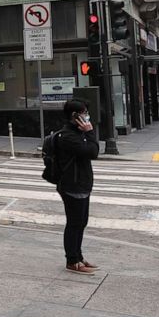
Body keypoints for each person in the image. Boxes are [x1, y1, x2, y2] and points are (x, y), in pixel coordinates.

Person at [55, 98, 100, 275]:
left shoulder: (76, 133)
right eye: (84, 113)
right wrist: (90, 132)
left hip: (81, 184)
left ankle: (79, 257)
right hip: (73, 186)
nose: (87, 116)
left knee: (81, 222)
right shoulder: (68, 136)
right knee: (74, 223)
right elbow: (93, 152)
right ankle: (72, 260)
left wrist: (86, 133)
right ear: (75, 116)